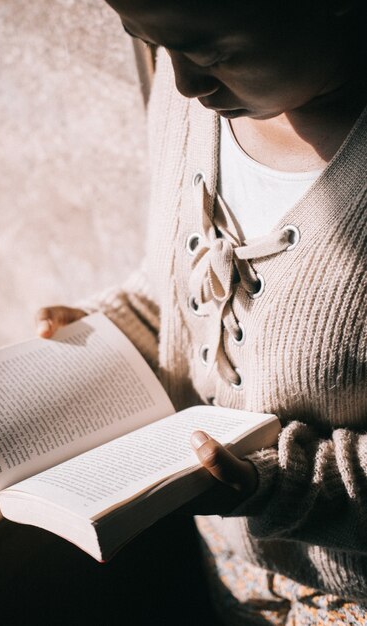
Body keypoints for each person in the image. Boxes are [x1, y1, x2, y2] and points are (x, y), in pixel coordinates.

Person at [36, 1, 367, 623]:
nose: (186, 83)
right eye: (148, 41)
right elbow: (190, 282)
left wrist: (281, 485)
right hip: (230, 567)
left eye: (215, 52)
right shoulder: (188, 94)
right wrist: (112, 328)